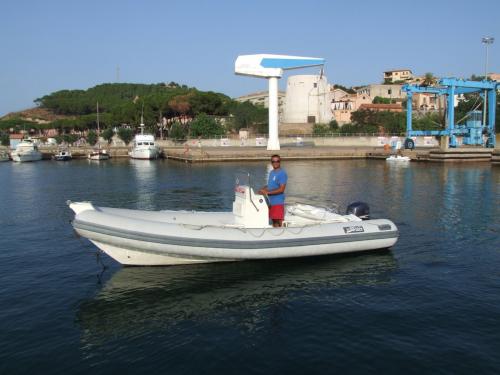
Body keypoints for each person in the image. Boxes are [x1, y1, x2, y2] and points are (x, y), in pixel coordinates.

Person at [258, 155, 288, 227]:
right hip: (271, 202)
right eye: (273, 161)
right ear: (271, 162)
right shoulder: (272, 172)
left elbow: (281, 189)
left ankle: (282, 236)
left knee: (278, 222)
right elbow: (270, 186)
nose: (275, 163)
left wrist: (267, 192)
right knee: (274, 221)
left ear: (280, 162)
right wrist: (263, 189)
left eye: (277, 161)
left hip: (278, 202)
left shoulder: (282, 174)